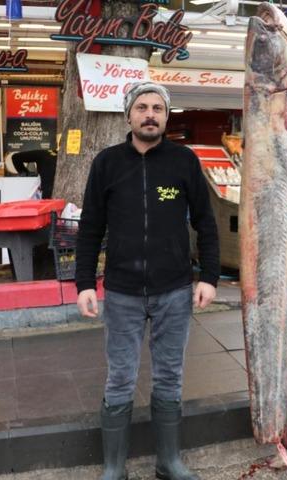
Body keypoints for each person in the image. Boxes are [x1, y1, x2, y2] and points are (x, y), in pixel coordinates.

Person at [75, 82, 220, 480]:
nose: (150, 114)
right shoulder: (107, 163)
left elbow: (206, 222)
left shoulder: (184, 161)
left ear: (166, 117)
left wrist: (209, 276)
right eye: (142, 107)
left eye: (158, 108)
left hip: (174, 289)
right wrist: (84, 283)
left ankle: (168, 462)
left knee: (169, 375)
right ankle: (113, 467)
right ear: (129, 115)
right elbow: (90, 227)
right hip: (122, 291)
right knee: (120, 377)